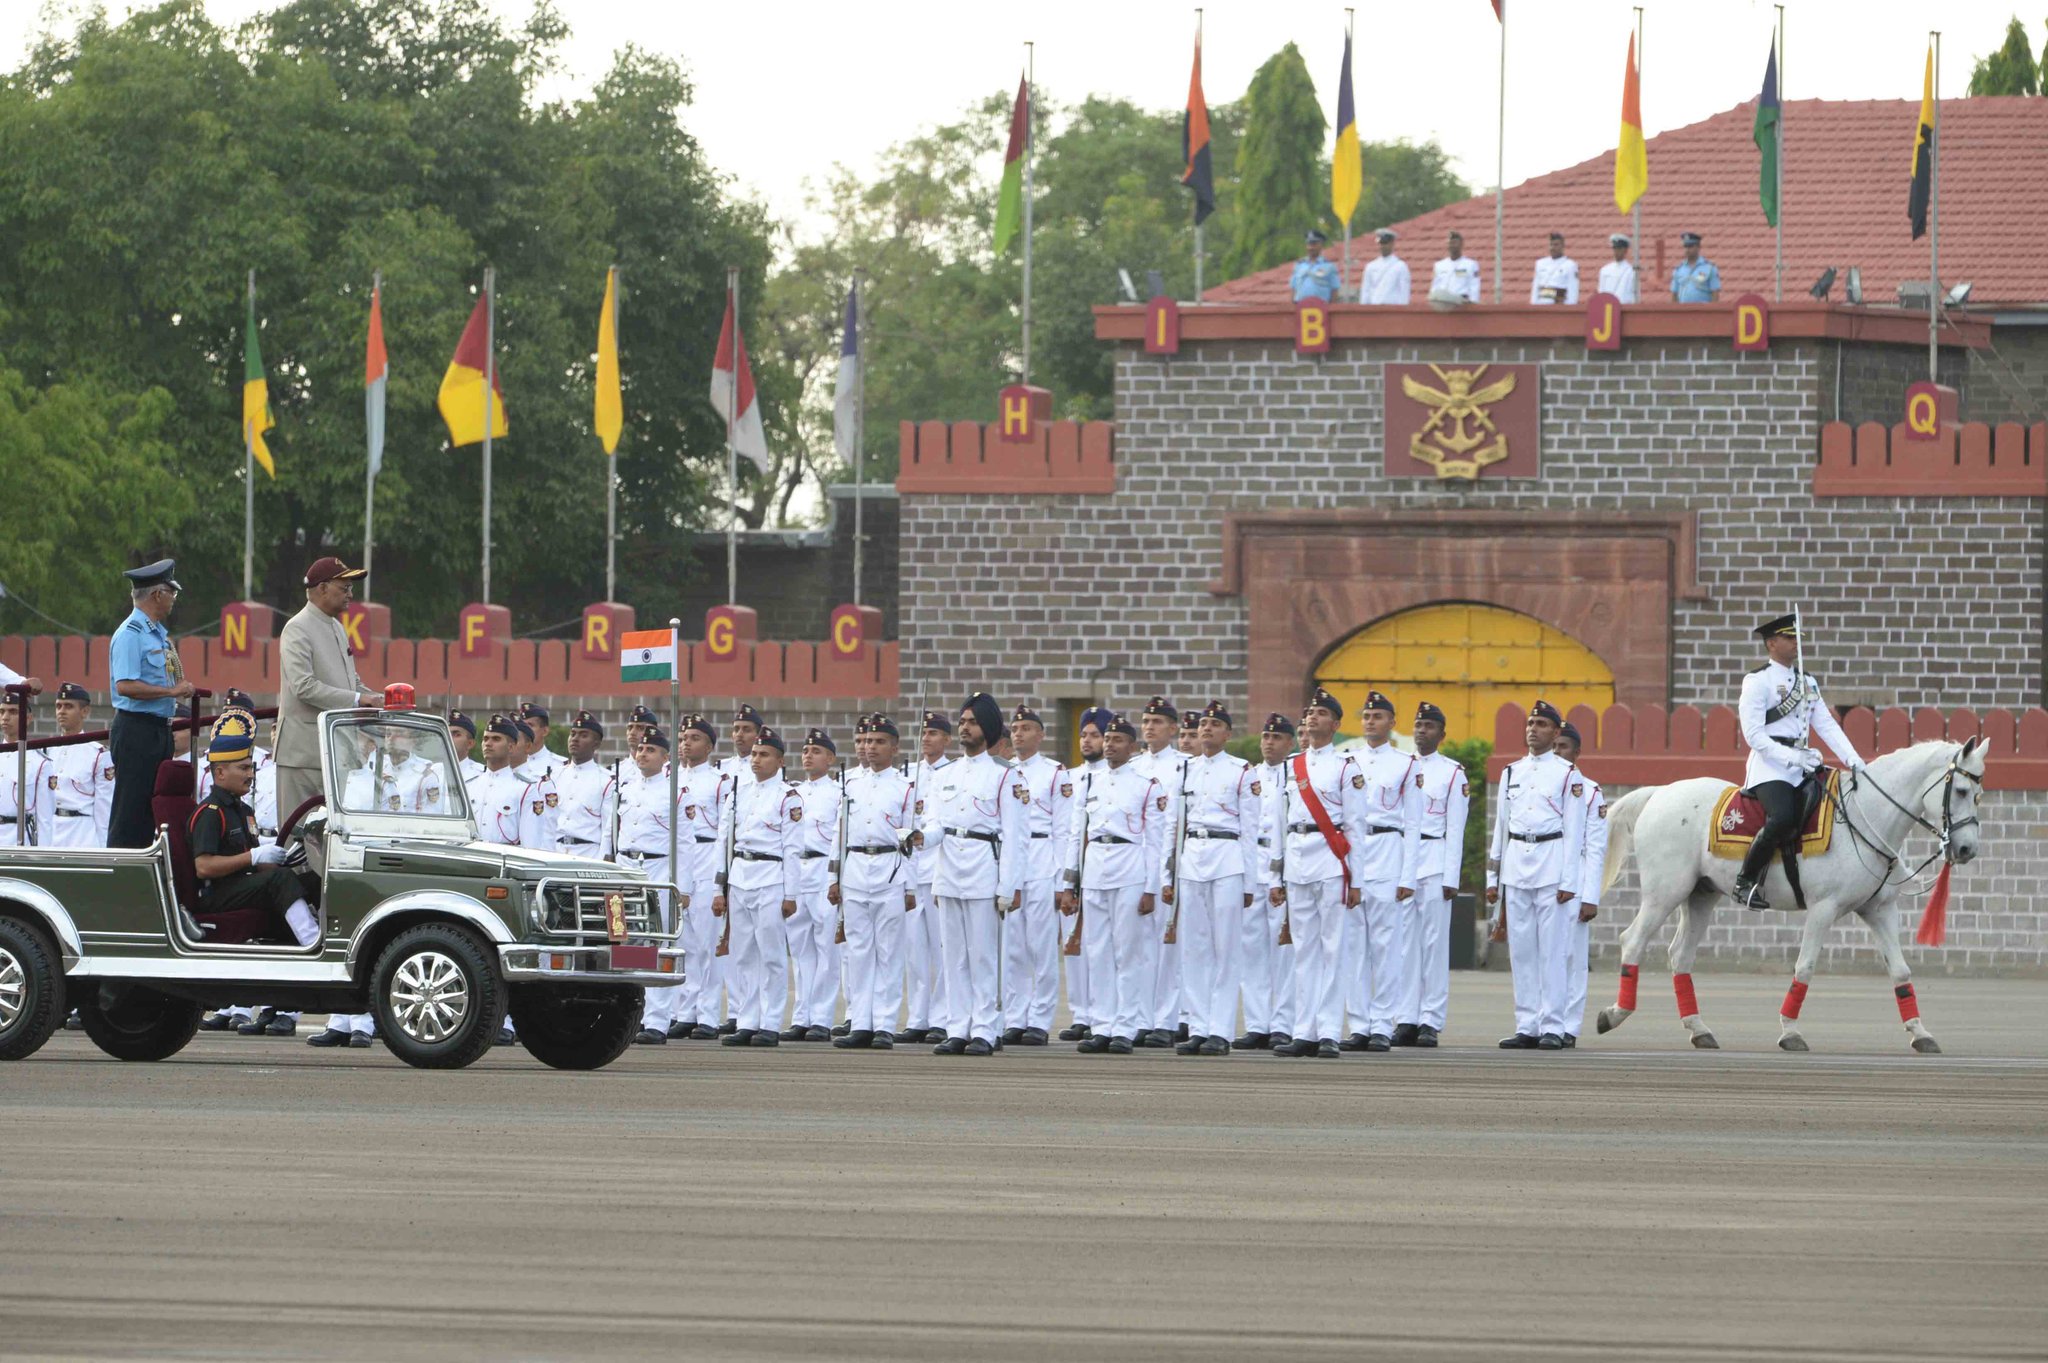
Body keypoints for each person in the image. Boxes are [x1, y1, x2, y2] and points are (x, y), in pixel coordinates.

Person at [920, 693, 1027, 1056]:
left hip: (984, 868)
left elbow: (1015, 835)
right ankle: (957, 1026)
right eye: (963, 722)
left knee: (982, 955)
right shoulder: (944, 775)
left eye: (973, 722)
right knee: (954, 956)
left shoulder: (1005, 775)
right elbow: (937, 826)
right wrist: (919, 838)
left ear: (989, 728)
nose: (965, 728)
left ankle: (985, 1027)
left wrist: (1008, 885)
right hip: (949, 869)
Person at [1734, 614, 1865, 910]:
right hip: (1770, 766)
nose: (1796, 643)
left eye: (1798, 638)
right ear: (1771, 643)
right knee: (1782, 817)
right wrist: (1791, 757)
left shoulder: (1807, 682)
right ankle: (1745, 880)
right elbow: (1754, 735)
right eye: (1789, 638)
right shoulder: (1758, 681)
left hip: (1804, 762)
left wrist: (1854, 760)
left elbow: (1827, 727)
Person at [1267, 689, 1368, 1059]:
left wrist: (1356, 880)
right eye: (1309, 712)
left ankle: (1327, 1030)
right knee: (1304, 949)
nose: (1312, 718)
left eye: (1321, 713)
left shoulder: (1346, 767)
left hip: (1330, 862)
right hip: (1297, 860)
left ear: (1336, 725)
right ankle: (1303, 1031)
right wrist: (1275, 877)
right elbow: (1278, 823)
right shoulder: (1290, 767)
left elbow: (1356, 828)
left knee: (1332, 947)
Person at [1058, 712, 1166, 1054]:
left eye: (1117, 740)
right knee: (1097, 950)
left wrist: (1151, 887)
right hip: (1095, 869)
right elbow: (1077, 834)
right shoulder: (1090, 783)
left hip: (1130, 867)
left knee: (1128, 951)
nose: (1109, 746)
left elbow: (1155, 840)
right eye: (1107, 740)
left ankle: (1126, 1025)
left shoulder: (1146, 785)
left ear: (1132, 747)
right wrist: (1070, 882)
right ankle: (1102, 1024)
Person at [1486, 700, 1586, 1050]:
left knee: (1553, 951)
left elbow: (1574, 833)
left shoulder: (1567, 774)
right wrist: (1492, 879)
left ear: (1556, 732)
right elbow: (1500, 828)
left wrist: (1570, 881)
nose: (1533, 729)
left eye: (1542, 724)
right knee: (1522, 951)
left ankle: (1553, 1025)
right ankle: (1527, 1023)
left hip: (1552, 864)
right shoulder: (1511, 772)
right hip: (1516, 865)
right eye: (1531, 723)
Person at [1163, 702, 1259, 1057]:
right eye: (1203, 723)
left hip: (1227, 857)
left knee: (1225, 948)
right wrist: (1167, 874)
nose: (1206, 729)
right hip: (1192, 859)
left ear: (1228, 733)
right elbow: (1173, 827)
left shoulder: (1241, 771)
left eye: (1215, 724)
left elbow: (1249, 830)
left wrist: (1250, 882)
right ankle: (1199, 1027)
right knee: (1195, 949)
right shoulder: (1184, 770)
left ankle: (1220, 1029)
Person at [188, 717, 320, 948]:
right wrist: (254, 857)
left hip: (242, 885)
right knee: (279, 880)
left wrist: (287, 859)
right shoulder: (210, 812)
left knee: (314, 879)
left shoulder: (244, 810)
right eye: (243, 768)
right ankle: (312, 942)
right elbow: (203, 867)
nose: (251, 774)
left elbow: (259, 866)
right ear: (219, 773)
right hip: (216, 893)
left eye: (251, 767)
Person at [1339, 690, 1422, 1054]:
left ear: (1392, 723)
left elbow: (1415, 824)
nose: (1370, 721)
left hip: (1389, 852)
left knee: (1387, 946)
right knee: (1354, 947)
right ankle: (1358, 1023)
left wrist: (1409, 875)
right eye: (1366, 716)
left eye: (1377, 716)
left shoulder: (1406, 764)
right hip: (1355, 855)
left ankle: (1381, 1024)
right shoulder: (1348, 760)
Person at [713, 725, 802, 1048]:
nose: (756, 760)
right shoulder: (739, 791)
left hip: (770, 876)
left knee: (772, 954)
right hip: (740, 874)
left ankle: (770, 1022)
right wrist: (718, 887)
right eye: (754, 754)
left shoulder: (788, 797)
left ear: (780, 760)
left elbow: (793, 848)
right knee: (742, 953)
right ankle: (747, 1020)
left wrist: (791, 894)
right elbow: (725, 840)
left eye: (764, 755)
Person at [831, 713, 916, 1050]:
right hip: (855, 868)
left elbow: (912, 840)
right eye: (865, 741)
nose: (870, 747)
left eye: (879, 741)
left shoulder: (905, 787)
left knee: (888, 952)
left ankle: (884, 1023)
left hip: (889, 868)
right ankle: (860, 1021)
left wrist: (909, 885)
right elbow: (838, 836)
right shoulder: (849, 785)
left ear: (894, 747)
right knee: (859, 951)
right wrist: (834, 877)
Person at [1394, 702, 1469, 1048]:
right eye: (1418, 723)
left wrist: (1451, 876)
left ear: (1442, 733)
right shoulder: (1403, 767)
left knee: (1434, 944)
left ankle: (1430, 1020)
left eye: (1429, 725)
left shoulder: (1453, 773)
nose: (1421, 730)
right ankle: (1405, 1017)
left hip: (1436, 858)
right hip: (1404, 860)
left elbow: (1456, 827)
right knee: (1405, 944)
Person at [107, 559, 195, 848]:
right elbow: (126, 686)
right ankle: (123, 877)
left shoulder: (155, 633)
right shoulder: (131, 634)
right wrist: (171, 693)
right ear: (158, 594)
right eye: (172, 593)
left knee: (150, 812)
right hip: (137, 730)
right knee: (130, 812)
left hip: (157, 730)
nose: (173, 600)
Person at [999, 706, 1068, 1047]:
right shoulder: (1003, 772)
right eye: (1015, 728)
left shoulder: (1055, 773)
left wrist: (1061, 881)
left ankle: (1039, 1020)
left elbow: (1064, 829)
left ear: (1041, 735)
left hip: (1042, 860)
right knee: (1013, 946)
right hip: (1013, 860)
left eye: (1027, 728)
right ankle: (1015, 1017)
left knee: (1040, 946)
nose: (1019, 734)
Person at [1235, 713, 1297, 1052]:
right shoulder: (1250, 776)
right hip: (1251, 864)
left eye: (1276, 738)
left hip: (1281, 866)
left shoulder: (1296, 775)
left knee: (1282, 949)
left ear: (1290, 743)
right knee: (1251, 947)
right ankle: (1258, 1023)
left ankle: (1283, 1023)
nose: (1269, 743)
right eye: (1265, 737)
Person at [620, 727, 679, 1045]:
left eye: (650, 750)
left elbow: (684, 843)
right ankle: (635, 1015)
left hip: (657, 870)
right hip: (626, 869)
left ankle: (658, 1020)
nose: (642, 754)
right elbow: (612, 832)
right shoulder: (627, 787)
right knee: (628, 945)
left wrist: (682, 887)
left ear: (666, 757)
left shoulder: (674, 792)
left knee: (656, 945)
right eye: (640, 749)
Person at [1056, 707, 1112, 1043]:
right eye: (1084, 734)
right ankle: (1082, 1013)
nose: (1087, 740)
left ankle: (1105, 1014)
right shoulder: (1069, 777)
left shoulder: (1115, 775)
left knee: (1102, 945)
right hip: (1073, 866)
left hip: (1105, 867)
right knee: (1074, 942)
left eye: (1095, 734)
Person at [783, 728, 842, 1043]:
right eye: (806, 750)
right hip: (797, 870)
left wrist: (836, 878)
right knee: (800, 947)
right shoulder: (792, 792)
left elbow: (838, 839)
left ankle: (821, 1017)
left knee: (826, 947)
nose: (808, 755)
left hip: (823, 868)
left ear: (830, 759)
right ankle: (801, 1015)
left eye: (816, 751)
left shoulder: (838, 793)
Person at [672, 714, 728, 1039]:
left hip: (707, 857)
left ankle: (707, 1015)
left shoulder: (718, 782)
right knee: (684, 941)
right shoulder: (671, 779)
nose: (686, 743)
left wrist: (720, 879)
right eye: (682, 738)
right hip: (681, 859)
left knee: (707, 941)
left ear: (708, 745)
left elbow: (722, 832)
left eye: (693, 737)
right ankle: (685, 1010)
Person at [1553, 722, 1609, 1048]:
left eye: (1564, 746)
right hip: (1543, 876)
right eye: (1554, 745)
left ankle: (1568, 1027)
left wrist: (1590, 896)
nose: (1558, 752)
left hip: (1576, 882)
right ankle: (1543, 1022)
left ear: (1577, 753)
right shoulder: (1538, 784)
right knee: (1545, 955)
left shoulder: (1590, 792)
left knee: (1573, 958)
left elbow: (1596, 848)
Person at [899, 710, 952, 1044]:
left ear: (946, 739)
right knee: (914, 949)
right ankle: (918, 1016)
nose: (927, 738)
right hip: (911, 869)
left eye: (934, 733)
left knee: (942, 947)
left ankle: (942, 1016)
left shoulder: (952, 772)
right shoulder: (908, 774)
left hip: (937, 867)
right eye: (924, 732)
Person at [48, 682, 114, 848]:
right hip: (50, 831)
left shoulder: (98, 754)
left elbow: (104, 809)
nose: (61, 711)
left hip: (82, 833)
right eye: (58, 706)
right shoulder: (46, 750)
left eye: (68, 706)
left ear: (85, 711)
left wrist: (103, 849)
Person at [552, 711, 615, 859]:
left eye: (583, 735)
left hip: (588, 853)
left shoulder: (606, 781)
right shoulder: (555, 776)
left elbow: (608, 829)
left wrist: (602, 862)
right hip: (555, 851)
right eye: (573, 734)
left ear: (596, 743)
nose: (575, 739)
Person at [0, 691, 55, 847]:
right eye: (2, 711)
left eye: (13, 712)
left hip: (18, 838)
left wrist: (42, 858)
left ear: (28, 719)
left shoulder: (39, 763)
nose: (5, 717)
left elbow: (45, 818)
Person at [1359, 228, 1411, 305]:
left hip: (1392, 310)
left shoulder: (1400, 266)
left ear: (1392, 243)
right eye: (1381, 243)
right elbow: (1365, 291)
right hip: (1374, 309)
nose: (1382, 246)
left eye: (1385, 243)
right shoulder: (1371, 266)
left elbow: (1404, 293)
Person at [1430, 231, 1482, 304]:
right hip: (1443, 303)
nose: (1452, 245)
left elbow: (1474, 286)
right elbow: (1435, 286)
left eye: (1454, 243)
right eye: (1450, 243)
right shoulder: (1439, 265)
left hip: (1462, 303)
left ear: (1461, 245)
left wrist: (1474, 303)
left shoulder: (1470, 265)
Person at [1290, 229, 1342, 303]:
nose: (1311, 248)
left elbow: (1334, 289)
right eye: (1309, 244)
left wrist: (1331, 310)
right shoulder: (1299, 265)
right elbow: (1293, 288)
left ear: (1321, 245)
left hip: (1321, 308)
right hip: (1300, 307)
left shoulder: (1329, 266)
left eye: (1314, 244)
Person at [1669, 231, 1721, 303]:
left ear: (1698, 247)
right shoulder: (1679, 269)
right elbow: (1674, 295)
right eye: (1685, 246)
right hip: (1683, 312)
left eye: (1690, 246)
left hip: (1703, 312)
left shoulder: (1709, 268)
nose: (1687, 250)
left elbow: (1715, 294)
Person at [1529, 232, 1579, 305]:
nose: (1552, 248)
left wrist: (1569, 310)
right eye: (1551, 245)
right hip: (1541, 304)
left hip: (1558, 305)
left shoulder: (1570, 265)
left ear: (1562, 246)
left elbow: (1573, 290)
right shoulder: (1540, 264)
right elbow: (1535, 288)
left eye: (1556, 245)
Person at [1598, 233, 1639, 303]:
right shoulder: (1605, 270)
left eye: (1619, 249)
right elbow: (1601, 292)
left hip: (1624, 308)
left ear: (1625, 250)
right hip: (1608, 308)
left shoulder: (1631, 271)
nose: (1616, 251)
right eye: (1614, 248)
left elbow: (1634, 295)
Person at [448, 713, 484, 784]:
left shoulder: (481, 775)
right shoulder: (433, 772)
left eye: (457, 735)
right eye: (447, 734)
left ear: (470, 744)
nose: (449, 738)